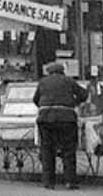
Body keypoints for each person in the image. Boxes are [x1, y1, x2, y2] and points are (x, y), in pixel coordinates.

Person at [33, 60, 88, 191]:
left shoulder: (43, 82)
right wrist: (74, 102)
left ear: (49, 72)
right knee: (68, 150)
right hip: (66, 118)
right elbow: (84, 94)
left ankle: (48, 182)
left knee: (47, 150)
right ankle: (70, 181)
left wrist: (45, 106)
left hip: (46, 119)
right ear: (62, 71)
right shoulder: (69, 81)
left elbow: (35, 99)